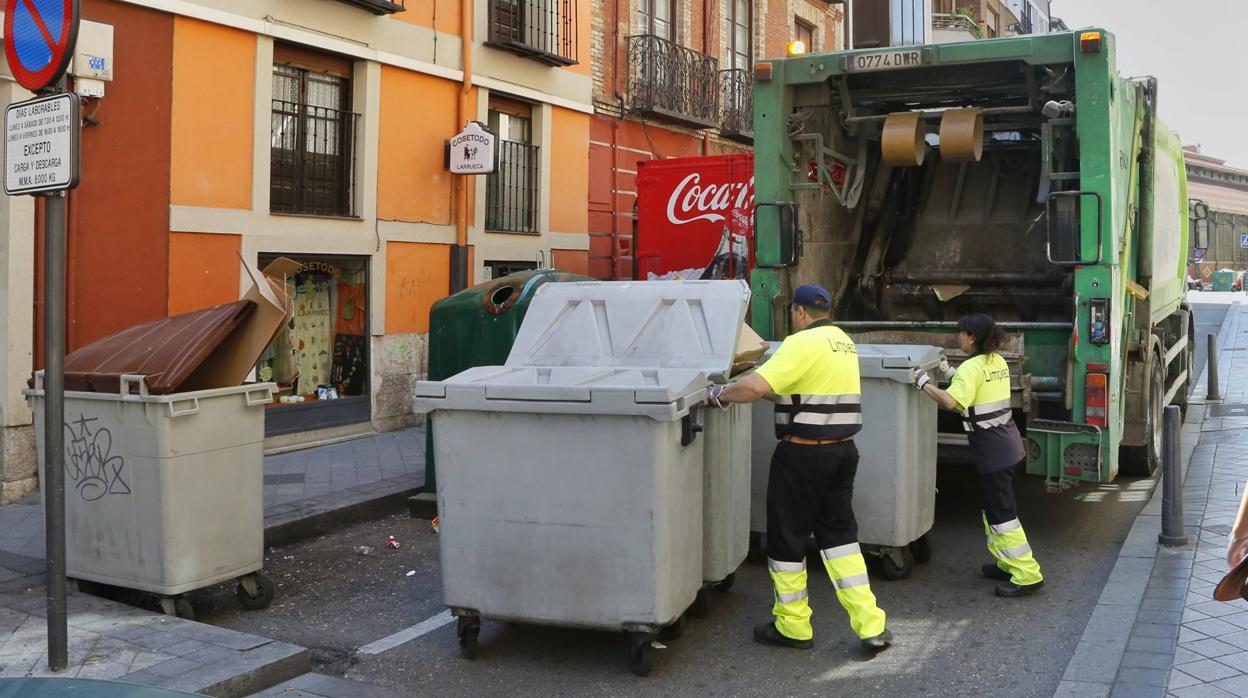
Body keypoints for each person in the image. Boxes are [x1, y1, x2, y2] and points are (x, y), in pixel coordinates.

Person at [707, 284, 891, 653]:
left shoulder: (799, 343)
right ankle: (871, 625)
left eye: (792, 312)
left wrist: (717, 394)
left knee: (786, 538)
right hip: (841, 453)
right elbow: (807, 389)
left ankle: (793, 626)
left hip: (803, 456)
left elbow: (754, 387)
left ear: (800, 312)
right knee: (840, 539)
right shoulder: (843, 342)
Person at [914, 313, 1045, 598]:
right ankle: (1005, 561)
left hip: (993, 452)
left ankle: (1027, 573)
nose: (958, 337)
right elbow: (976, 388)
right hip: (1007, 445)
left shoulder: (971, 368)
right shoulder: (995, 361)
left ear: (971, 337)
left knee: (1002, 514)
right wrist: (949, 373)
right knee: (991, 509)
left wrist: (923, 383)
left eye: (961, 333)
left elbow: (952, 401)